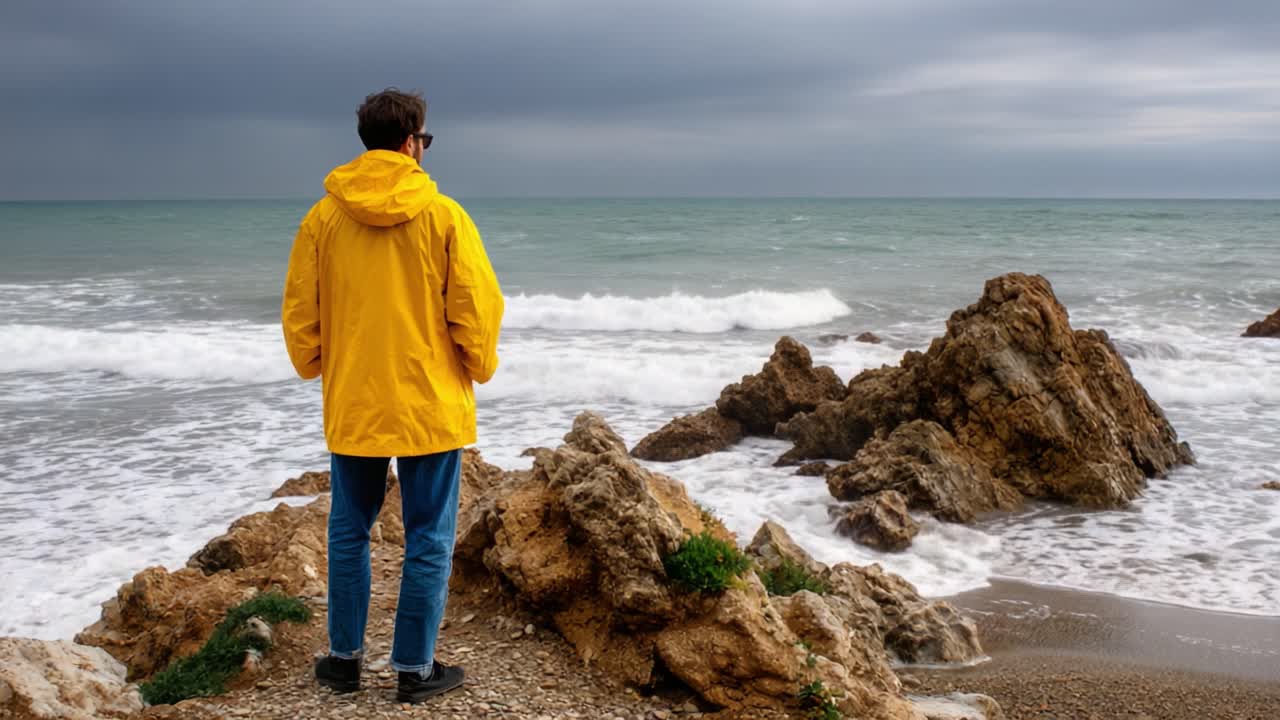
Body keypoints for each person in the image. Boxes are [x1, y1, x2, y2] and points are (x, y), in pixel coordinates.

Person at [281, 88, 503, 703]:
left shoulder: (324, 218)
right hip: (430, 403)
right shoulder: (445, 216)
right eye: (424, 141)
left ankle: (344, 662)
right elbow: (476, 311)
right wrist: (478, 367)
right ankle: (413, 668)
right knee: (428, 533)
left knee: (349, 529)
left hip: (356, 401)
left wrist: (322, 365)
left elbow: (301, 314)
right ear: (410, 143)